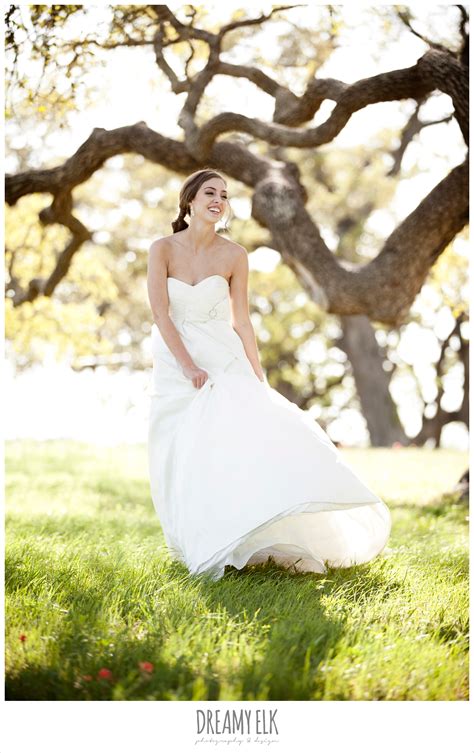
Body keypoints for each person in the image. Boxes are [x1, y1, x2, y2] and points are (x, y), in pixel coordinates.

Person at [147, 168, 391, 581]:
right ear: (190, 199)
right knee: (176, 450)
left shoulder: (234, 255)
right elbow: (159, 312)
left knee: (230, 445)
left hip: (223, 358)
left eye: (224, 195)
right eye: (210, 192)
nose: (218, 200)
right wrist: (188, 366)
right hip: (174, 359)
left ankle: (238, 534)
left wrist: (257, 378)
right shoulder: (162, 249)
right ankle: (195, 537)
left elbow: (241, 321)